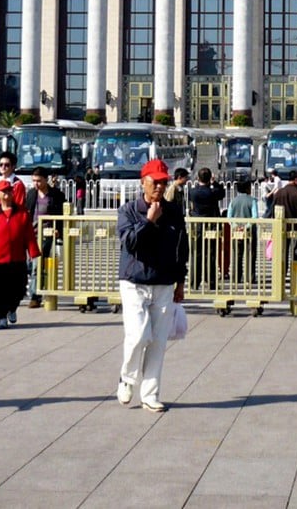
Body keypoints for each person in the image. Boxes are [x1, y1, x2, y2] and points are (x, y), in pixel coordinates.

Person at [117, 158, 187, 413]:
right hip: (134, 281)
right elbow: (130, 243)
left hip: (164, 281)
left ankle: (150, 393)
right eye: (154, 182)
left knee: (157, 340)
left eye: (162, 182)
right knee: (138, 336)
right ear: (143, 182)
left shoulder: (174, 211)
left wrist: (181, 281)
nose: (158, 187)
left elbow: (182, 249)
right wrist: (148, 220)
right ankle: (127, 378)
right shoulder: (128, 210)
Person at [0, 182, 40, 328]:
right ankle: (1, 317)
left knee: (18, 289)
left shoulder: (22, 213)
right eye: (3, 192)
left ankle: (12, 308)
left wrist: (33, 252)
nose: (7, 194)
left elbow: (29, 235)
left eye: (9, 191)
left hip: (17, 258)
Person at [26, 168, 66, 308]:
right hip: (31, 234)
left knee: (38, 265)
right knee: (29, 266)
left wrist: (58, 230)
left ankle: (35, 296)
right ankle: (33, 289)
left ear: (45, 179)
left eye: (39, 181)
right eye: (34, 181)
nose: (36, 184)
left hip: (47, 235)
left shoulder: (56, 195)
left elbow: (62, 215)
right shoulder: (31, 194)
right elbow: (27, 213)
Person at [187, 168, 224, 290]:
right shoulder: (212, 192)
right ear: (209, 178)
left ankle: (194, 282)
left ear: (198, 178)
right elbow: (222, 193)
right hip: (211, 224)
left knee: (196, 253)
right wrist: (214, 183)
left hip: (197, 224)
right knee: (211, 253)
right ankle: (211, 281)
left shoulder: (192, 192)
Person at [270, 171, 297, 264]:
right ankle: (295, 275)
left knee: (283, 252)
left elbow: (273, 211)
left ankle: (282, 274)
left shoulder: (279, 193)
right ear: (296, 180)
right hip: (296, 227)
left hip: (282, 227)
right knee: (296, 252)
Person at [227, 178, 258, 284]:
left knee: (237, 254)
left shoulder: (233, 201)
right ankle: (250, 277)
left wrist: (236, 226)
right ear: (247, 188)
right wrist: (246, 227)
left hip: (236, 231)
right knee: (250, 254)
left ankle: (236, 277)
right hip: (250, 231)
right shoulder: (252, 200)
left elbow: (229, 217)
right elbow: (255, 217)